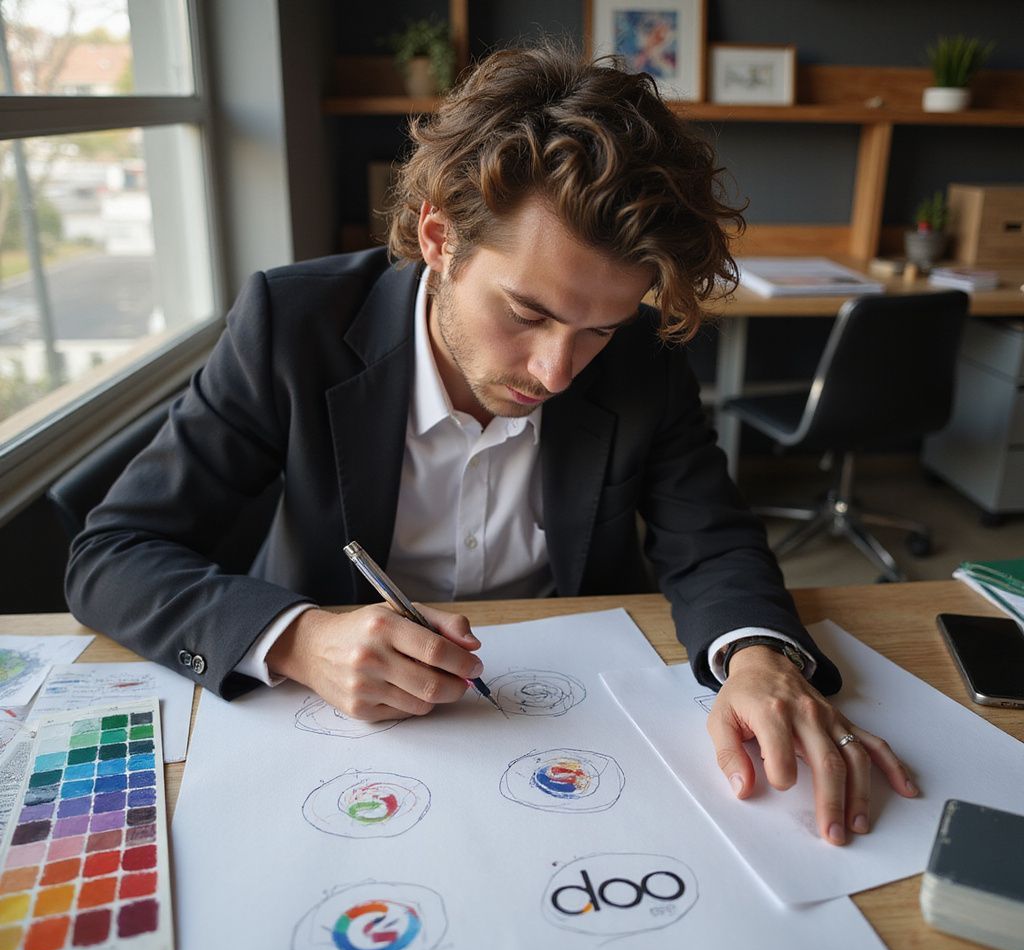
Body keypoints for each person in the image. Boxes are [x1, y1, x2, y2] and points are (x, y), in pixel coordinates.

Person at [66, 43, 917, 846]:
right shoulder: (292, 328)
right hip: (339, 749)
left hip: (581, 733)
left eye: (597, 330)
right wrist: (298, 638)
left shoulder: (641, 359)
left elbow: (712, 537)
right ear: (440, 239)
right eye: (528, 313)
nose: (556, 370)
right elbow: (113, 554)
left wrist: (759, 659)